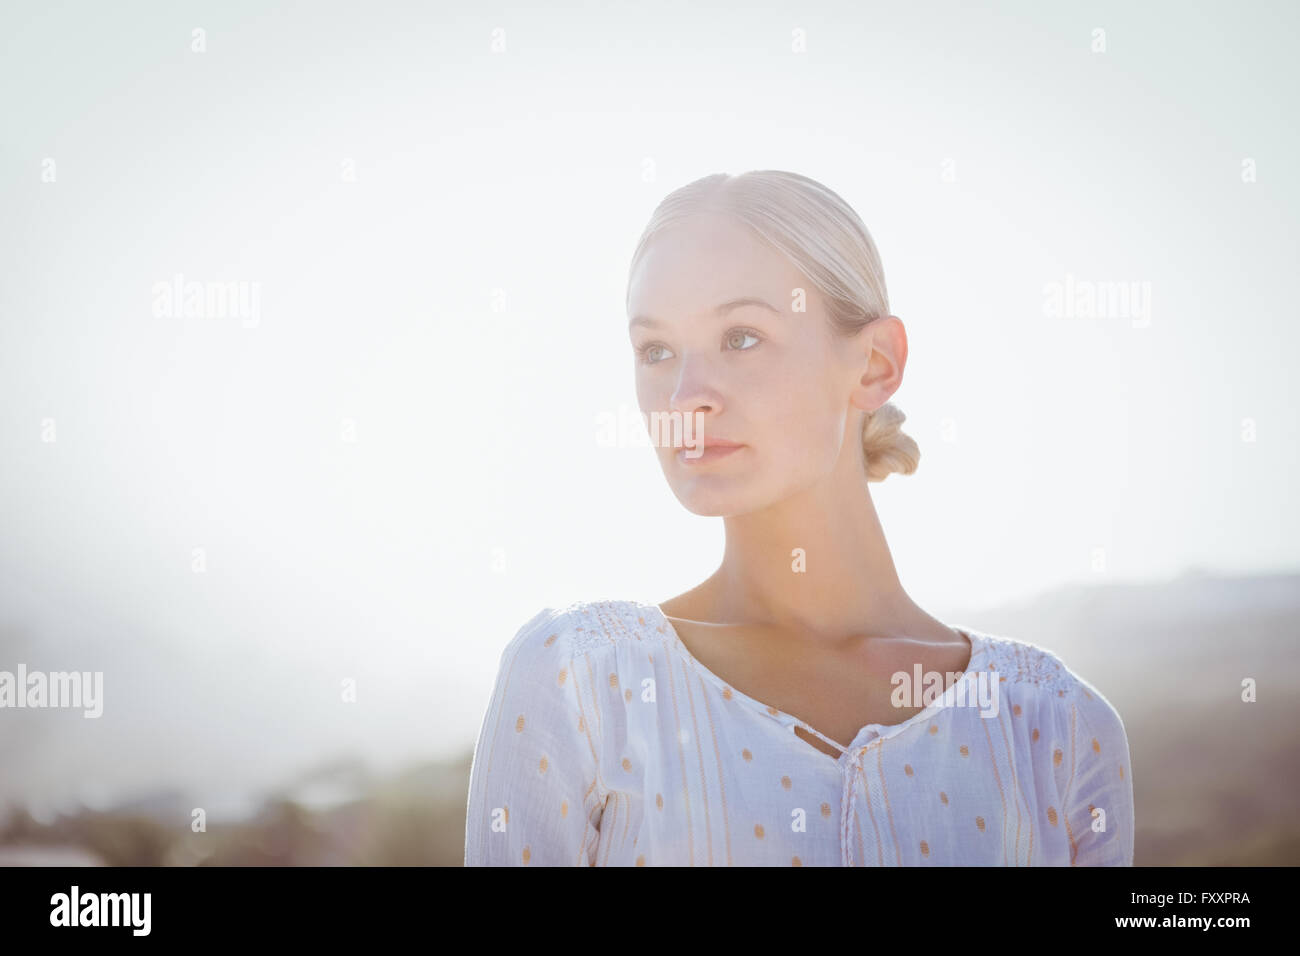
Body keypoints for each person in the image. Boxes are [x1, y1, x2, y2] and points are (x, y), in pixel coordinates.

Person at [464, 170, 1134, 866]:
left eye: (742, 337)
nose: (686, 396)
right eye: (656, 350)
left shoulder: (1055, 729)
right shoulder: (581, 681)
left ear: (874, 363)